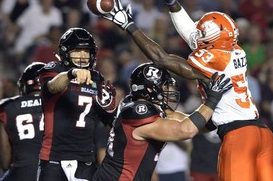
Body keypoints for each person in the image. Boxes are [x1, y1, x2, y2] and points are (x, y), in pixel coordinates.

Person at [100, 0, 273, 180]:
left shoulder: (214, 60)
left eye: (203, 33)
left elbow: (162, 59)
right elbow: (192, 36)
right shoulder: (235, 50)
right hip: (263, 134)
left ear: (213, 39)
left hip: (239, 136)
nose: (197, 36)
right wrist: (174, 3)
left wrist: (130, 26)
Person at [92, 62, 232, 180]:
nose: (168, 91)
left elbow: (198, 125)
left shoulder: (148, 110)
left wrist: (223, 113)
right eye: (164, 87)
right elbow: (186, 130)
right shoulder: (139, 112)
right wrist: (212, 99)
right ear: (151, 89)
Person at [37, 27, 117, 181]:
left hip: (84, 158)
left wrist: (110, 108)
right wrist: (70, 74)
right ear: (65, 52)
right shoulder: (53, 69)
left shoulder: (96, 79)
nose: (83, 56)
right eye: (77, 51)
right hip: (54, 157)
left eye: (86, 51)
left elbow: (109, 122)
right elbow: (52, 87)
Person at [0, 62, 45, 181]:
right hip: (57, 170)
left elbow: (5, 153)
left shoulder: (8, 107)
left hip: (22, 171)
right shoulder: (60, 105)